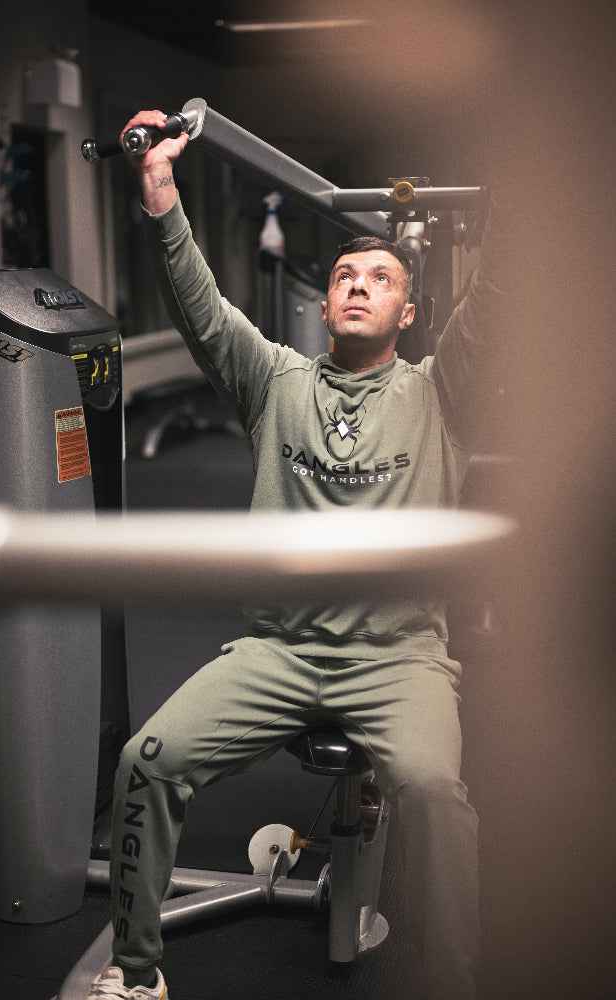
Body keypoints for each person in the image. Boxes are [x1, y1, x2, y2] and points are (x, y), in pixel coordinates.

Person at [89, 109, 505, 1000]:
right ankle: (136, 972)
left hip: (398, 659)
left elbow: (497, 307)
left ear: (409, 310)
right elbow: (198, 303)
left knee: (434, 792)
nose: (358, 286)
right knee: (146, 758)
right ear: (324, 306)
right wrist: (159, 191)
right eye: (345, 276)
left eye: (379, 278)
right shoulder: (274, 379)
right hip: (281, 652)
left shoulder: (442, 394)